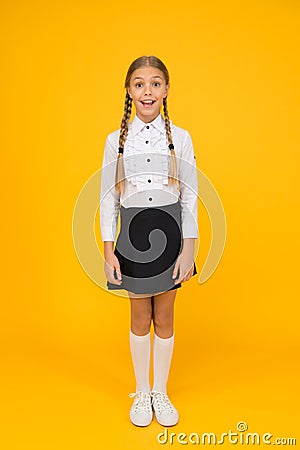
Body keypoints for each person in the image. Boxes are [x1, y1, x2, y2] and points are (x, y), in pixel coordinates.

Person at [100, 55, 198, 427]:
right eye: (139, 84)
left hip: (171, 232)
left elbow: (190, 193)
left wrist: (188, 248)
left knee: (166, 316)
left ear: (166, 90)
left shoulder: (182, 138)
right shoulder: (115, 141)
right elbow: (108, 195)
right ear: (129, 90)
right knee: (140, 316)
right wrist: (109, 247)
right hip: (133, 233)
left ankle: (161, 391)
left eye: (155, 83)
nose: (147, 91)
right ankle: (142, 391)